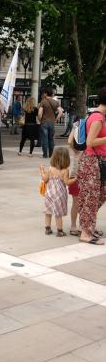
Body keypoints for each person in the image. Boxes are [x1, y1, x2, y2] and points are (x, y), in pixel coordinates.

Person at [77, 88, 106, 245]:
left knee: (99, 195)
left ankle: (87, 226)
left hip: (98, 161)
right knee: (91, 197)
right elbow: (90, 142)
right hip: (92, 162)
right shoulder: (97, 118)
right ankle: (86, 233)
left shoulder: (100, 116)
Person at [40, 146, 75, 237]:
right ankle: (59, 231)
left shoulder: (50, 168)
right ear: (66, 159)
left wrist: (41, 170)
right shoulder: (65, 171)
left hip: (49, 194)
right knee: (58, 213)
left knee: (48, 211)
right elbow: (67, 182)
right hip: (59, 195)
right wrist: (75, 179)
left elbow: (45, 179)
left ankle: (47, 228)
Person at [38, 87, 63, 158]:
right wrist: (56, 119)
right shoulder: (56, 102)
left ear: (46, 94)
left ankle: (45, 154)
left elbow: (40, 113)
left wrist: (40, 120)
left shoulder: (43, 102)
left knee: (44, 138)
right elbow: (60, 112)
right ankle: (51, 154)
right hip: (52, 122)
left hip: (44, 122)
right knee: (51, 139)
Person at [68, 126, 83, 236]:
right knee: (76, 202)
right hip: (75, 177)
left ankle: (83, 225)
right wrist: (75, 127)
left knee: (85, 203)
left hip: (86, 176)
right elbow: (69, 141)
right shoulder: (78, 148)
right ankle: (73, 225)